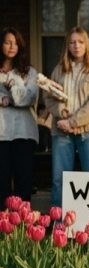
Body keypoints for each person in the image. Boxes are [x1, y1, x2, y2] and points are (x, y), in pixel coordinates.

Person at [44, 26, 89, 207]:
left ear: (86, 44)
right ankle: (59, 226)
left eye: (80, 42)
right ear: (67, 45)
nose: (76, 46)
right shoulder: (59, 70)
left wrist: (73, 121)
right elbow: (48, 98)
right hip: (62, 132)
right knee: (60, 180)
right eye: (72, 42)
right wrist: (62, 115)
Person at [0, 28, 40, 204]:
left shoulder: (30, 72)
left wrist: (11, 89)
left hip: (24, 133)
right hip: (1, 134)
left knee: (23, 182)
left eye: (15, 43)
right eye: (8, 42)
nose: (11, 46)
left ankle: (23, 227)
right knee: (1, 183)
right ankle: (3, 227)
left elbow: (29, 98)